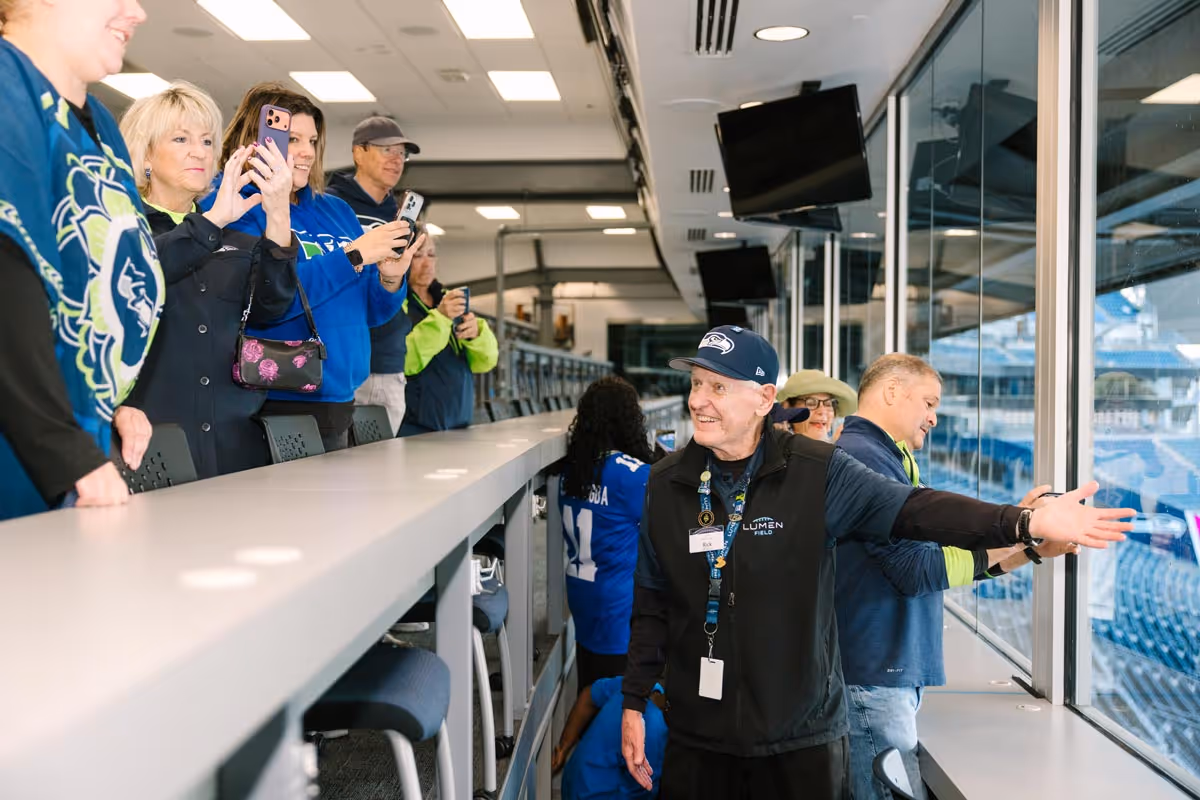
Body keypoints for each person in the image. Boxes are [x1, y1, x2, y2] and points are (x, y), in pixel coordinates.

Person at [619, 325, 1133, 800]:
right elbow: (652, 600)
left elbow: (914, 511)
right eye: (697, 384)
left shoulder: (817, 472)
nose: (698, 401)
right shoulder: (666, 483)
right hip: (698, 738)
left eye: (718, 387)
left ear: (763, 399)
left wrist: (1024, 523)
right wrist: (635, 700)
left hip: (799, 741)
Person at [834, 353, 1080, 800]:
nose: (934, 416)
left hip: (882, 671)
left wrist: (1027, 545)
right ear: (892, 392)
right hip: (873, 674)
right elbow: (915, 571)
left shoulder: (885, 455)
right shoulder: (864, 458)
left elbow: (934, 562)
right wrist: (1026, 528)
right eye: (929, 402)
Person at [0, 0, 163, 519]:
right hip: (25, 457)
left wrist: (114, 401)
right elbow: (7, 272)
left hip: (76, 448)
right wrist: (65, 450)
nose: (136, 13)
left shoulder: (103, 130)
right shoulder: (8, 87)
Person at [208, 83, 424, 452]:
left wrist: (389, 279)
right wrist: (351, 257)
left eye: (312, 140)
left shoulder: (336, 211)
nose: (307, 152)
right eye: (293, 140)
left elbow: (370, 313)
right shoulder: (235, 206)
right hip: (270, 400)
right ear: (261, 140)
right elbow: (264, 301)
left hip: (340, 399)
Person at [120, 81, 299, 478]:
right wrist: (214, 220)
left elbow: (272, 309)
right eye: (181, 138)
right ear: (146, 154)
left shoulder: (239, 240)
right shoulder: (122, 228)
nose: (199, 151)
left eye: (206, 141)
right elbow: (144, 272)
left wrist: (277, 215)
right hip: (151, 441)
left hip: (234, 444)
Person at [327, 116, 421, 435]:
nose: (397, 160)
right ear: (359, 153)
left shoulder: (398, 217)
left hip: (388, 361)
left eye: (402, 154)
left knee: (384, 475)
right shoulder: (331, 206)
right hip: (342, 359)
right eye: (387, 150)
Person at [560, 377, 654, 689]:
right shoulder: (633, 475)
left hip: (582, 594)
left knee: (590, 690)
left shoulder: (573, 470)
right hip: (618, 606)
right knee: (616, 704)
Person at [398, 236, 498, 435]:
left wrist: (476, 334)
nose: (427, 264)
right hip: (416, 426)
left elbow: (486, 362)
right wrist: (441, 318)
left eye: (431, 255)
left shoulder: (448, 299)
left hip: (460, 421)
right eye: (418, 256)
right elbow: (404, 361)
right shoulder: (397, 302)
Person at [553, 677, 667, 799]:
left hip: (572, 779)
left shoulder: (639, 684)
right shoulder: (656, 729)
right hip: (593, 793)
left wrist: (563, 749)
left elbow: (588, 696)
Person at [776, 369, 857, 441]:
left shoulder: (841, 452)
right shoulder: (775, 452)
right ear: (787, 408)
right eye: (811, 403)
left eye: (828, 404)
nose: (822, 411)